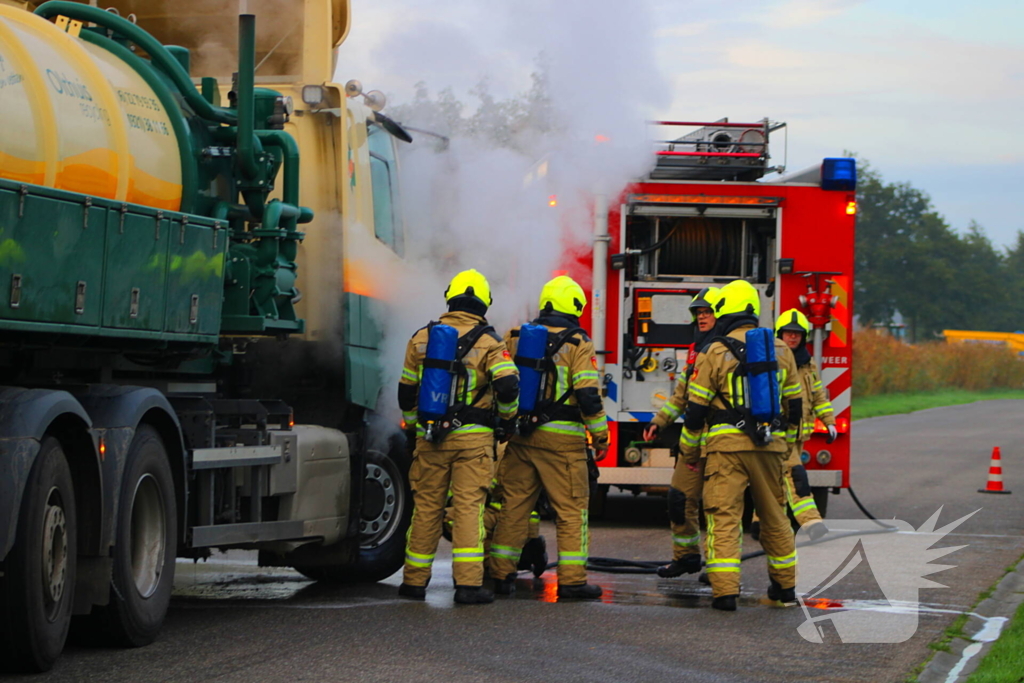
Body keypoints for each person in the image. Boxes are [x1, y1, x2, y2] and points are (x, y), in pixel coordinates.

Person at [397, 269, 520, 605]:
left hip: (430, 437)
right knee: (468, 509)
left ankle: (413, 582)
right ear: (484, 303)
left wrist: (415, 429)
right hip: (473, 441)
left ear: (449, 298)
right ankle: (467, 585)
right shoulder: (490, 342)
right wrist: (507, 421)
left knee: (426, 509)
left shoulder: (422, 338)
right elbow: (508, 385)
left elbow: (406, 391)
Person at [678, 279, 802, 611]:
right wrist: (787, 448)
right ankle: (786, 588)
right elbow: (795, 408)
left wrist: (690, 453)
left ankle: (725, 592)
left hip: (726, 448)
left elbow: (695, 411)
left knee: (724, 516)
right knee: (776, 516)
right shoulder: (780, 349)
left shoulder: (715, 351)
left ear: (724, 311)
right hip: (771, 447)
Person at [489, 275, 609, 600]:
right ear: (574, 307)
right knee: (571, 511)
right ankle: (572, 581)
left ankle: (501, 576)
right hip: (563, 443)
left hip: (521, 438)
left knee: (514, 507)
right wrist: (601, 437)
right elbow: (587, 395)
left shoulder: (515, 336)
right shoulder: (578, 343)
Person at [642, 287, 720, 577]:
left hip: (718, 442)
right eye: (698, 313)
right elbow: (681, 395)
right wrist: (658, 422)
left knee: (716, 507)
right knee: (678, 499)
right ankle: (686, 557)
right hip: (693, 444)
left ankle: (718, 569)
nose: (701, 317)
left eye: (707, 312)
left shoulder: (723, 350)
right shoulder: (696, 349)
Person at [768, 308, 837, 541]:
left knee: (776, 480)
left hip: (799, 434)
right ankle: (812, 523)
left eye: (797, 334)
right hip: (779, 433)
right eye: (788, 333)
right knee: (796, 478)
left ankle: (762, 522)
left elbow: (818, 395)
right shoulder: (771, 359)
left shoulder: (808, 364)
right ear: (780, 334)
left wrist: (829, 421)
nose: (793, 337)